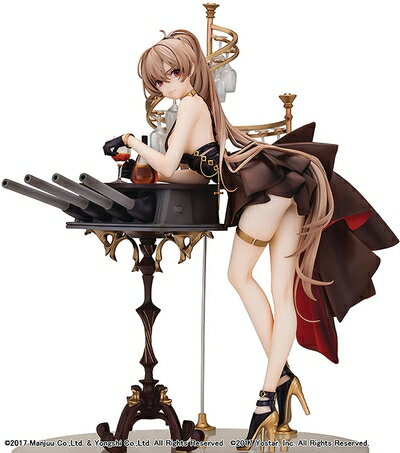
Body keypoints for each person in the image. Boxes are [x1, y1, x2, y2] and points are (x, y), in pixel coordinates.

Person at [103, 29, 398, 451]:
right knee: (279, 291)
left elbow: (168, 166)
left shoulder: (191, 105)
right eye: (157, 82)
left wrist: (132, 141)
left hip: (265, 191)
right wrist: (142, 162)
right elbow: (193, 173)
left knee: (239, 277)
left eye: (170, 75)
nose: (164, 86)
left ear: (187, 69)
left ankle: (271, 393)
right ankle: (278, 384)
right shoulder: (197, 107)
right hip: (280, 190)